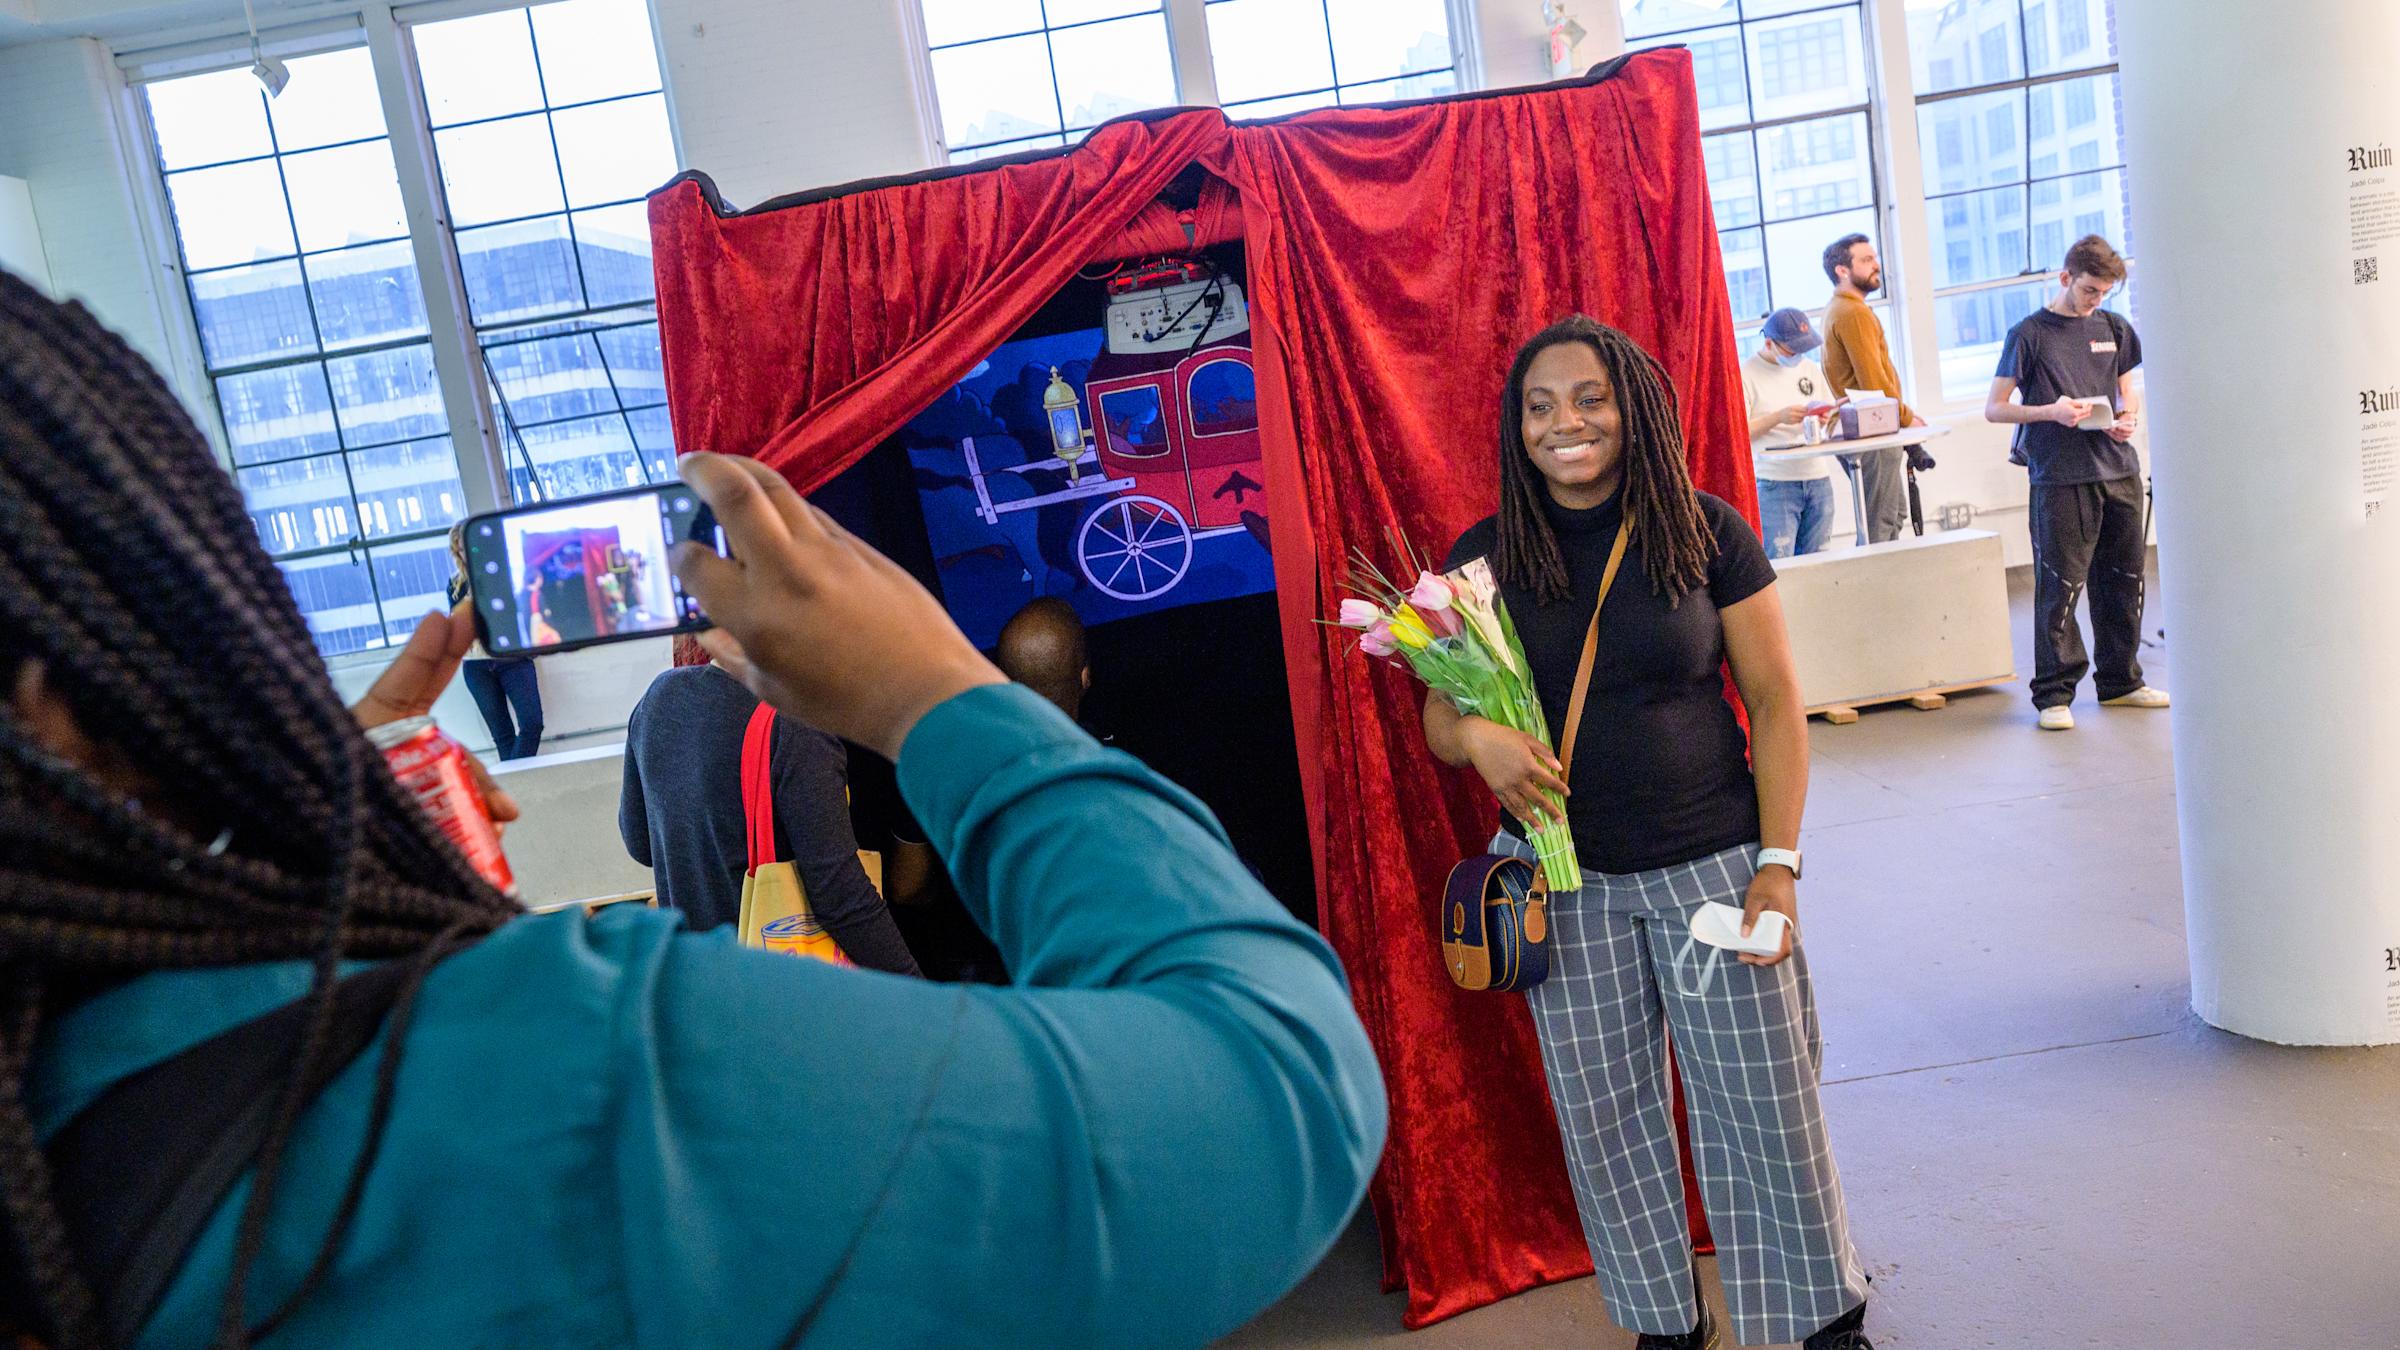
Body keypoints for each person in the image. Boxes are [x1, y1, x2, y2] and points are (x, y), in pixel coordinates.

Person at [0, 274, 1383, 1348]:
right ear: (61, 698)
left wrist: (279, 817)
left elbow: (638, 842)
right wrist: (933, 693)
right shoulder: (558, 1072)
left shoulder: (661, 719)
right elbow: (1275, 1087)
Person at [1426, 316, 1872, 1350]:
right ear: (1515, 427)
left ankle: (1821, 1319)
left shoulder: (1707, 533)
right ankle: (1664, 1326)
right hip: (1562, 883)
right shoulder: (1484, 556)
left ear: (1632, 407)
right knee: (1605, 1120)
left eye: (1589, 398)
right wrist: (1476, 739)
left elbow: (1774, 705)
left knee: (1765, 1107)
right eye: (1539, 406)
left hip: (1715, 872)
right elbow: (1439, 712)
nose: (1564, 423)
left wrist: (1779, 867)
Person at [619, 639, 921, 974]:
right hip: (769, 995)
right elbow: (840, 900)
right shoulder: (795, 725)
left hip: (696, 985)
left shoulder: (659, 698)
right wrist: (922, 997)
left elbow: (640, 844)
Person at [1983, 234, 2168, 731]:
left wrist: (2127, 418)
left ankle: (2121, 682)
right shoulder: (2029, 335)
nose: (2095, 300)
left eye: (2104, 292)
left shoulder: (2115, 327)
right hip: (2061, 477)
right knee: (2061, 585)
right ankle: (2054, 695)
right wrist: (2051, 411)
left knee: (2125, 581)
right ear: (2065, 278)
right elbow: (1995, 408)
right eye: (2089, 290)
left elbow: (2127, 390)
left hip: (2118, 470)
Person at [862, 597, 1093, 983]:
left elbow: (907, 887)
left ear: (998, 678)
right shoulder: (1114, 767)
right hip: (1085, 982)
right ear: (1085, 676)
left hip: (979, 985)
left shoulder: (938, 756)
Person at [1818, 233, 1928, 544]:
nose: (1876, 265)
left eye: (1875, 258)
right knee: (1880, 526)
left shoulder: (1842, 309)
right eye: (1866, 260)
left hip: (1871, 430)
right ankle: (1879, 593)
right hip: (1873, 431)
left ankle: (1887, 590)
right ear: (1842, 270)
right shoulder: (1852, 312)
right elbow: (1873, 382)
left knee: (1891, 518)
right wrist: (1907, 417)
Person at [1743, 307, 1841, 559]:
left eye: (1802, 348)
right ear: (1769, 343)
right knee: (1780, 564)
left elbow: (1827, 410)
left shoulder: (1808, 368)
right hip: (1775, 483)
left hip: (1817, 477)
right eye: (1791, 349)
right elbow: (1739, 433)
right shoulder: (1747, 374)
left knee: (1820, 562)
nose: (1798, 355)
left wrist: (1822, 417)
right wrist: (1778, 417)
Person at [446, 522, 546, 759]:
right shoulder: (455, 584)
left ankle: (514, 782)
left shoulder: (505, 574)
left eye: (470, 547)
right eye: (460, 550)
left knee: (532, 724)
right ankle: (517, 787)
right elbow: (460, 626)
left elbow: (519, 611)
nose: (466, 554)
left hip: (512, 658)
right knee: (502, 736)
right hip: (477, 665)